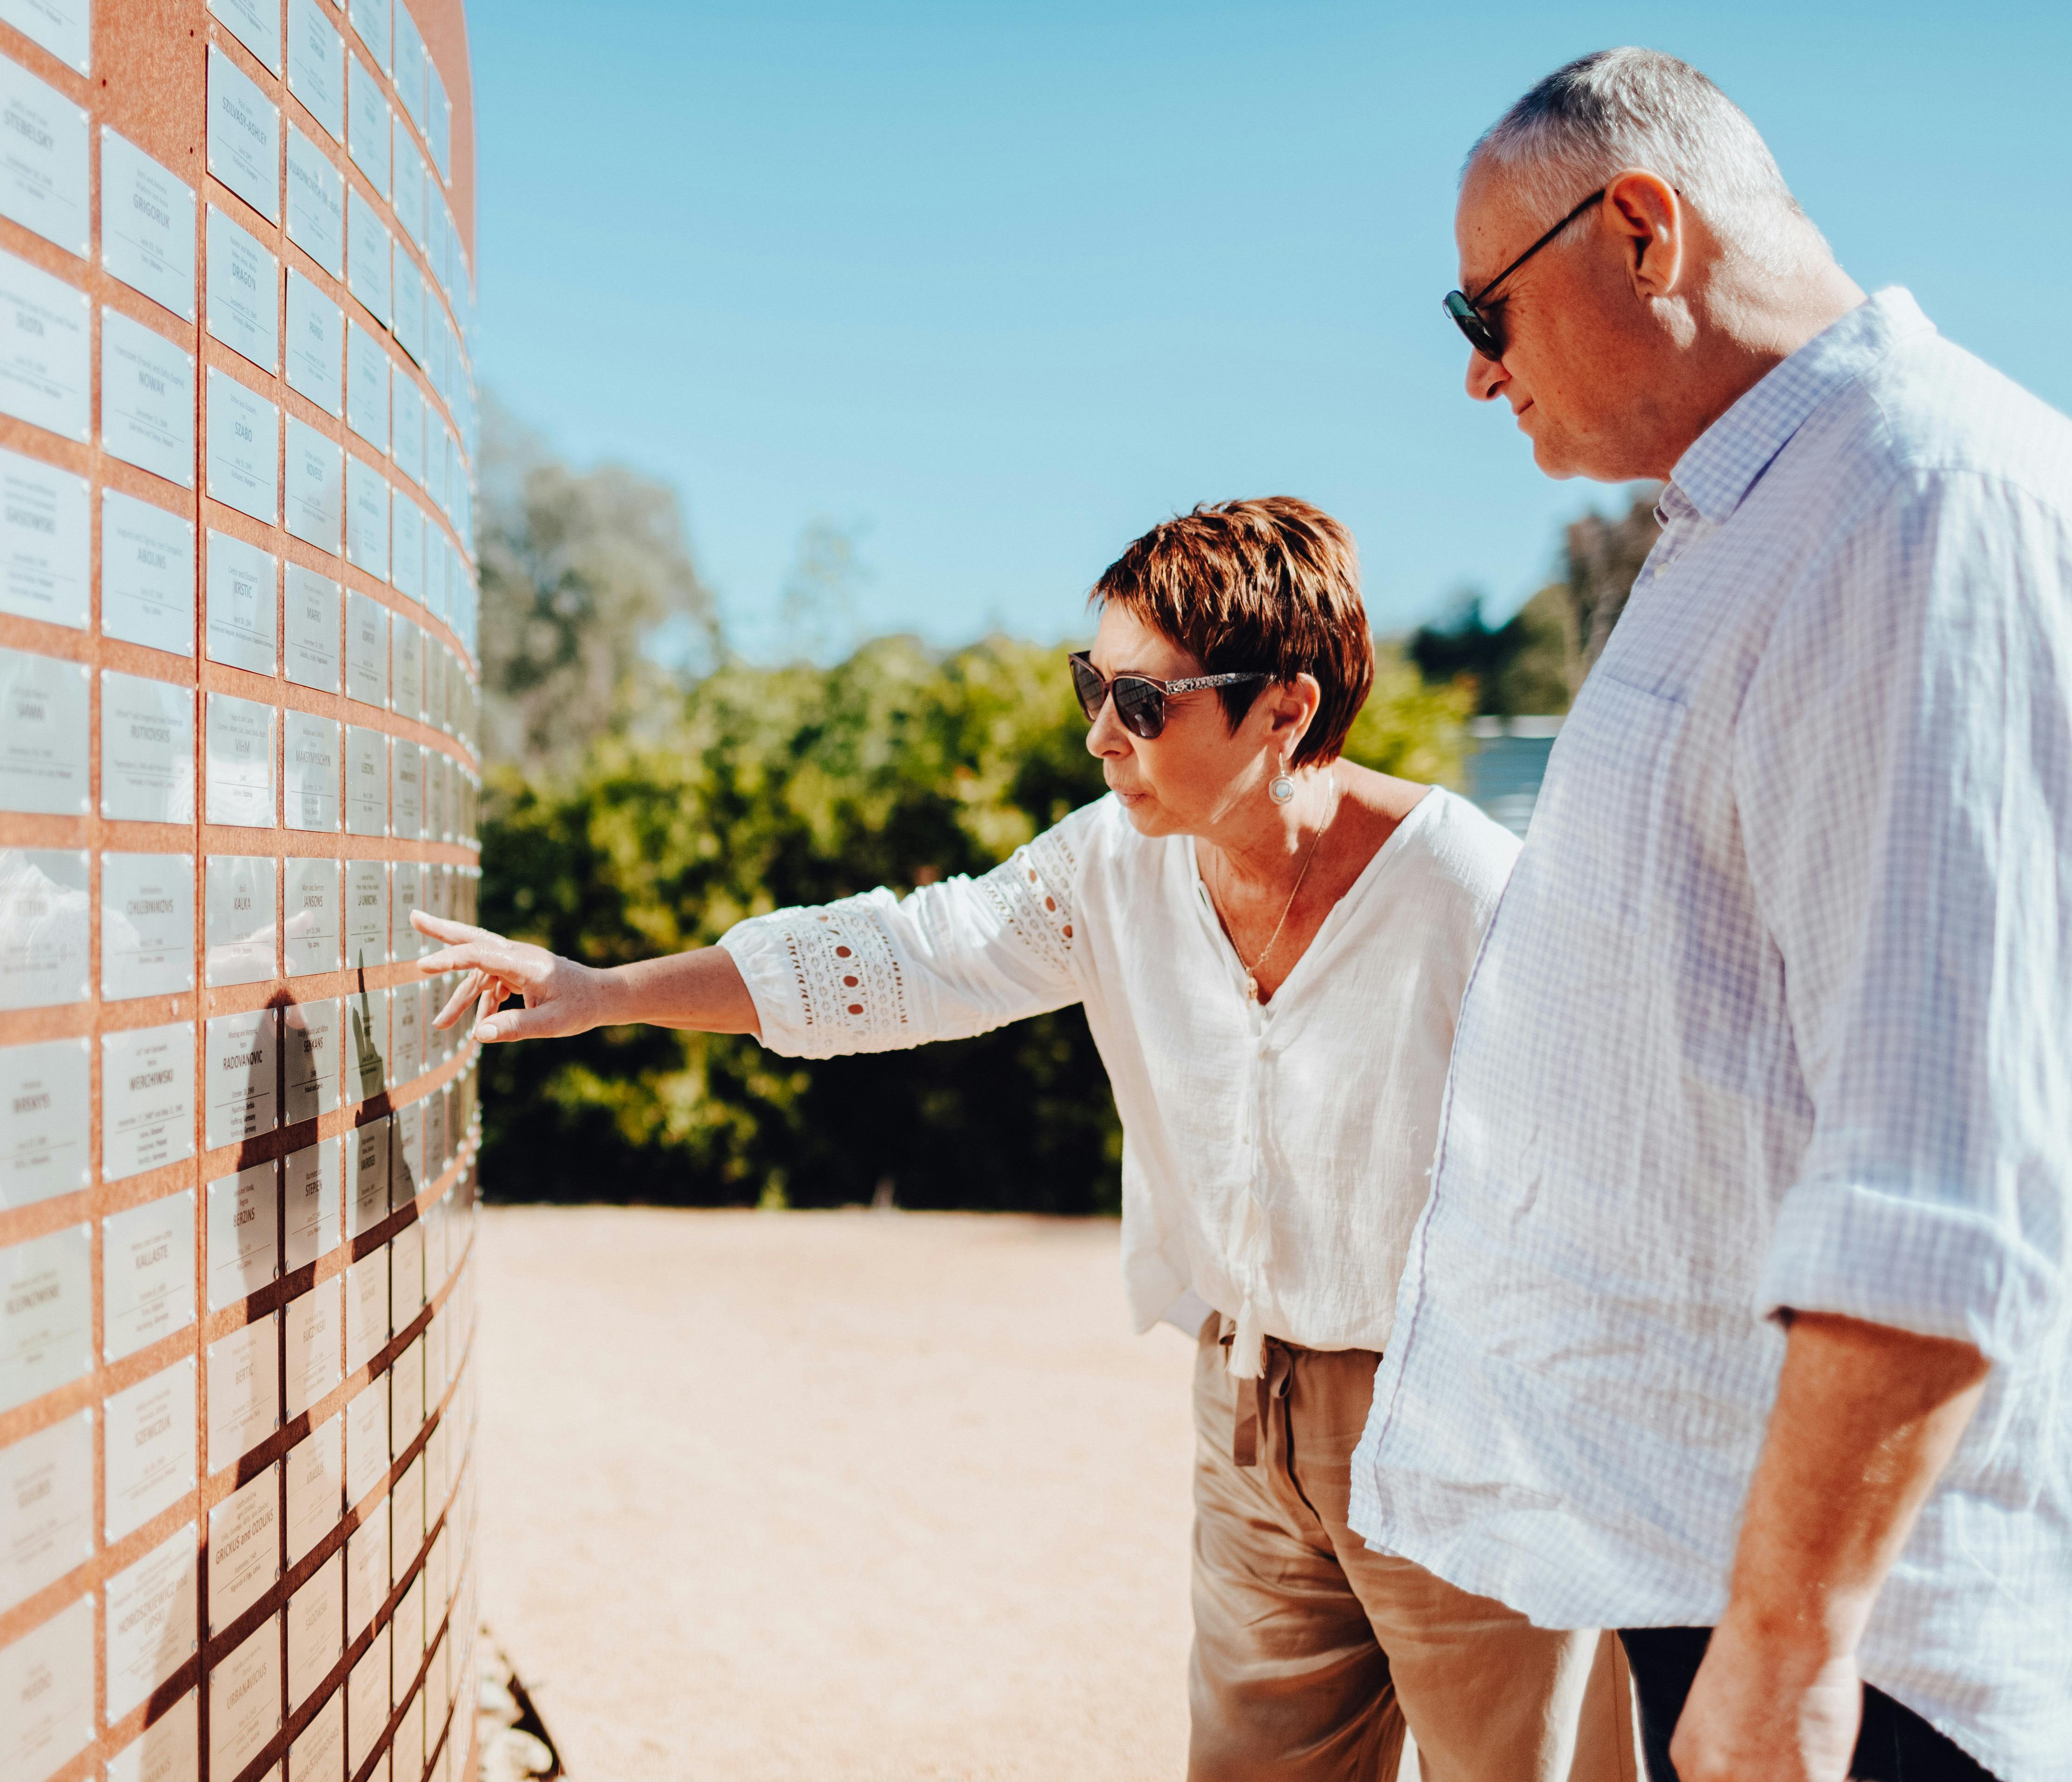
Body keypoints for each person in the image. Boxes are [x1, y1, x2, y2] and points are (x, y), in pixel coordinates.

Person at [414, 497, 1635, 1781]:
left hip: (1467, 1421)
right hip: (1249, 1405)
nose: (1103, 734)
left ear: (1288, 706)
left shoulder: (1472, 893)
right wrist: (606, 992)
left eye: (1145, 703)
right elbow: (909, 955)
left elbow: (1615, 1166)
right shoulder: (1116, 864)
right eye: (1089, 686)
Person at [1353, 47, 2072, 1782]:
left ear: (1645, 233)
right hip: (1757, 1581)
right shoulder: (1786, 513)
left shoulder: (1914, 504)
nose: (1474, 376)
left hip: (1874, 1659)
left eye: (1483, 312)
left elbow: (1941, 1161)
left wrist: (1787, 1652)